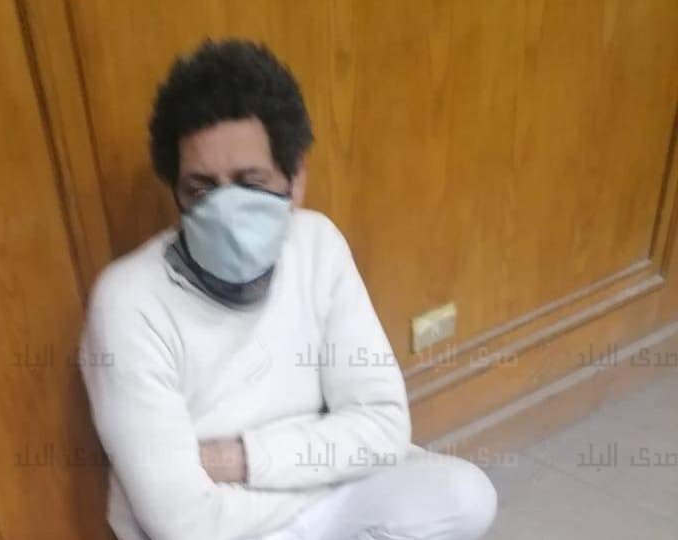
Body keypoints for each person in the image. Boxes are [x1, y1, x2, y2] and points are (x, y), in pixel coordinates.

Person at [78, 38, 498, 540]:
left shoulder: (317, 243)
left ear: (295, 179)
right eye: (201, 187)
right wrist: (330, 458)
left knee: (465, 496)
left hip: (301, 492)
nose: (225, 208)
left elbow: (384, 425)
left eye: (250, 181)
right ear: (176, 190)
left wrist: (237, 458)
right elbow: (184, 523)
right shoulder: (128, 302)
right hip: (232, 527)